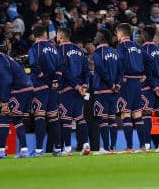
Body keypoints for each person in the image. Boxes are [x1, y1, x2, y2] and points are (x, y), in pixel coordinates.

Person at [0, 36, 33, 159]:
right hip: (25, 89)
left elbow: (6, 81)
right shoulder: (4, 58)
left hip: (19, 90)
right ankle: (24, 150)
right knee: (17, 120)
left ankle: (1, 150)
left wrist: (5, 101)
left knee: (4, 118)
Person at [28, 24, 62, 156]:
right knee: (54, 118)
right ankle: (58, 148)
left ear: (35, 35)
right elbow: (60, 67)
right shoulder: (53, 48)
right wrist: (56, 81)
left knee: (40, 117)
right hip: (53, 88)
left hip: (40, 86)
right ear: (45, 34)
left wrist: (48, 82)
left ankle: (38, 150)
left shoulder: (34, 48)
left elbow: (34, 66)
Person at [56, 27, 90, 156]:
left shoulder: (60, 50)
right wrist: (84, 86)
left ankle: (67, 149)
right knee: (80, 118)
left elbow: (64, 70)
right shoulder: (79, 50)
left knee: (66, 119)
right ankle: (86, 145)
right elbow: (87, 69)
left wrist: (76, 86)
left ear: (60, 36)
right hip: (81, 90)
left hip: (67, 89)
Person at [115, 23, 148, 153]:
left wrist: (120, 78)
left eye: (117, 33)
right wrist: (145, 73)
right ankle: (143, 146)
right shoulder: (138, 47)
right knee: (137, 114)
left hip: (127, 81)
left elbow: (121, 61)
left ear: (121, 33)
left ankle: (129, 147)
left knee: (125, 113)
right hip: (137, 83)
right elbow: (150, 60)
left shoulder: (122, 46)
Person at [141, 25, 159, 151]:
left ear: (144, 35)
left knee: (146, 113)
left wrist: (154, 87)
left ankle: (147, 146)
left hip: (148, 87)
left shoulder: (143, 49)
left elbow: (147, 71)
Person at [91, 30, 121, 154]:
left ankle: (106, 148)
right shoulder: (115, 52)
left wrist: (111, 84)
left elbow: (102, 71)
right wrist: (118, 84)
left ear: (101, 37)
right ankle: (113, 147)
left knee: (103, 118)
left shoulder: (97, 53)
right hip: (114, 91)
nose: (95, 37)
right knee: (112, 119)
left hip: (102, 90)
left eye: (96, 35)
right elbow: (121, 71)